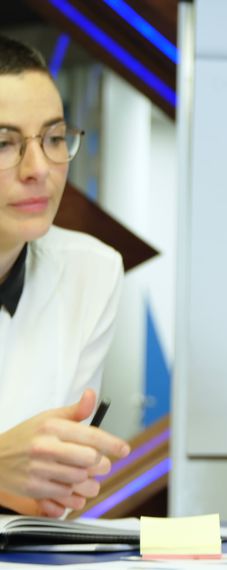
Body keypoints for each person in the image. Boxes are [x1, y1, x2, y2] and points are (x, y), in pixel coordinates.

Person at [0, 36, 130, 518]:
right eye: (4, 143)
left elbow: (50, 500)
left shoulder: (91, 271)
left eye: (54, 139)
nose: (39, 169)